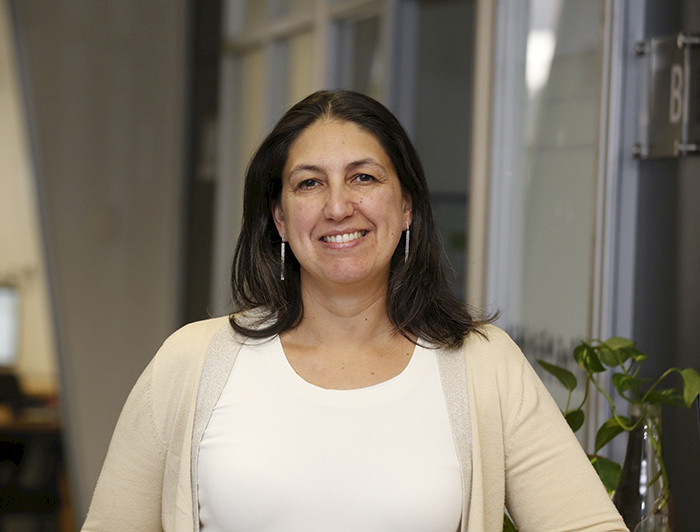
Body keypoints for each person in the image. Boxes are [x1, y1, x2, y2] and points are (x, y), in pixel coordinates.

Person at [82, 90, 627, 531]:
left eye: (363, 177)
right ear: (278, 217)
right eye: (309, 183)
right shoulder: (191, 362)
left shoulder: (484, 366)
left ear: (407, 204)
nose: (338, 205)